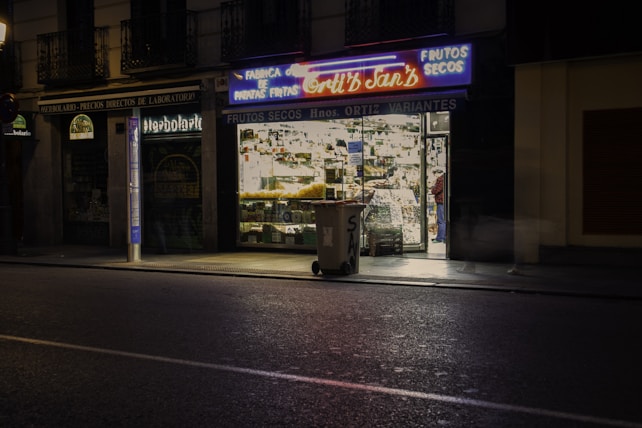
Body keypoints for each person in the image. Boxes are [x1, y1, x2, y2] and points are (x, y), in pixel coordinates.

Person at [430, 167, 446, 243]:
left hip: (441, 202)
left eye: (434, 174)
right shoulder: (446, 178)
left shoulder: (440, 179)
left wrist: (433, 187)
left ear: (437, 173)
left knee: (441, 220)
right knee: (444, 220)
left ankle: (440, 238)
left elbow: (435, 190)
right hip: (445, 201)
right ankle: (444, 237)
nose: (435, 176)